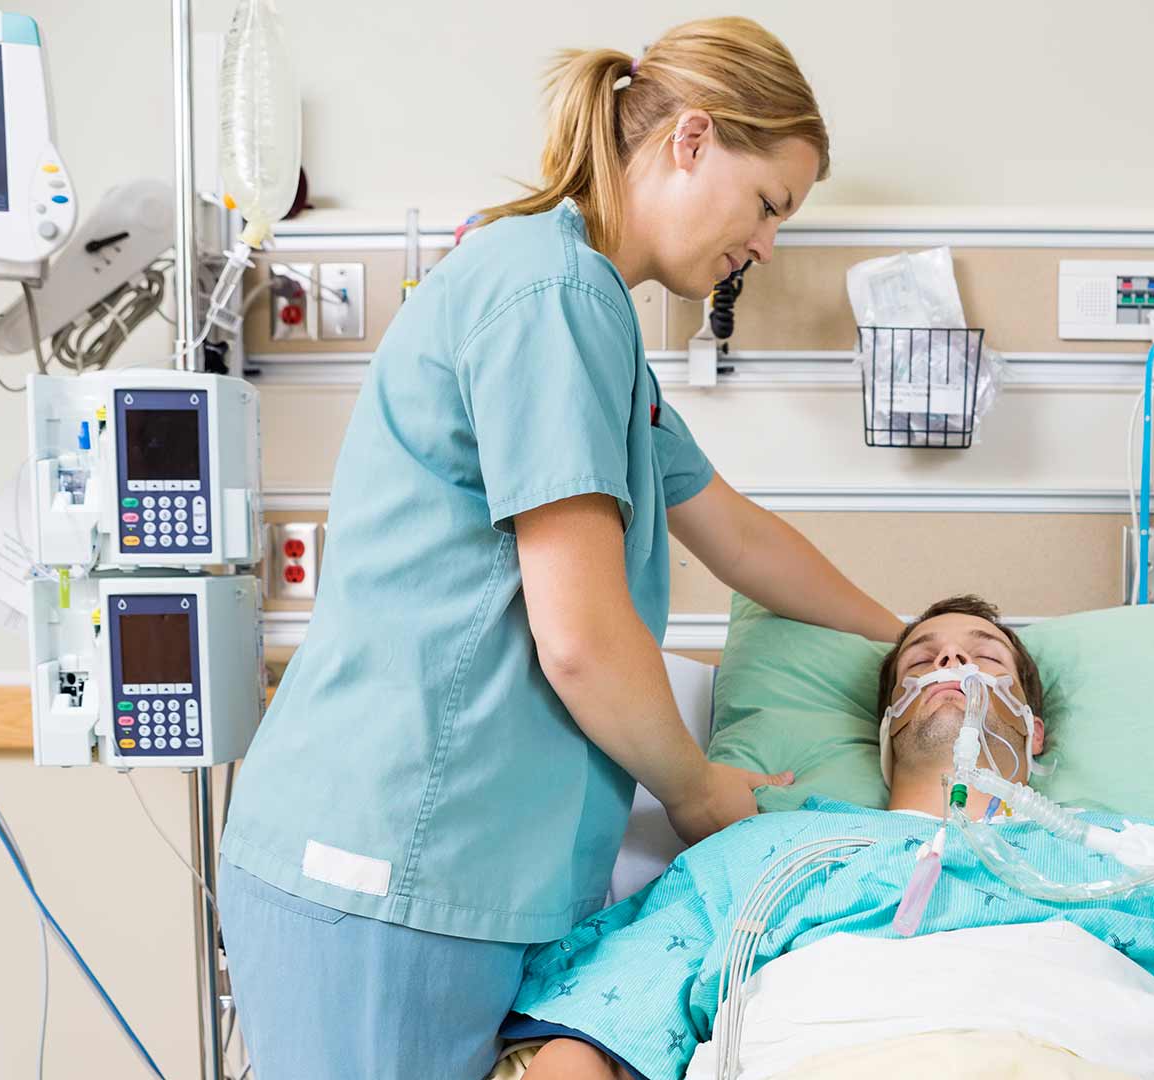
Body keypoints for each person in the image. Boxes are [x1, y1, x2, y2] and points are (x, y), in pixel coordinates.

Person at [215, 19, 903, 1080]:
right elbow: (579, 638)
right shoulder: (553, 295)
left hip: (447, 872)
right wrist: (695, 789)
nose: (766, 246)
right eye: (769, 203)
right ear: (692, 139)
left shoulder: (586, 312)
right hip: (387, 862)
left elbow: (736, 531)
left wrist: (905, 639)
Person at [500, 598, 1154, 1080]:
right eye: (924, 657)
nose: (953, 666)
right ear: (883, 725)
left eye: (985, 658)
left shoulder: (1137, 864)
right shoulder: (756, 857)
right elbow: (597, 1038)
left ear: (1037, 730)